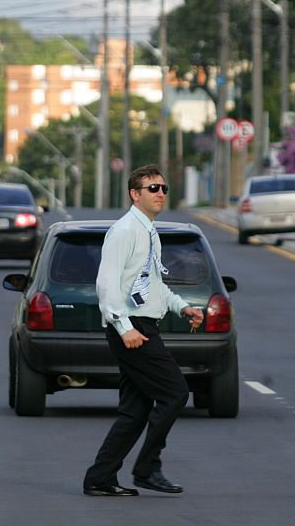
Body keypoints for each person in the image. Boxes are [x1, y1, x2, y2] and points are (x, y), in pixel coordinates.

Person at [83, 164, 205, 497]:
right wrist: (123, 327)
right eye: (153, 188)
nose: (161, 194)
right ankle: (147, 468)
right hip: (131, 328)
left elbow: (152, 283)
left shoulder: (149, 231)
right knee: (175, 393)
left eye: (164, 188)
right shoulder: (124, 231)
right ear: (134, 194)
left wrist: (182, 307)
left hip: (143, 324)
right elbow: (106, 284)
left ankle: (100, 478)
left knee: (135, 411)